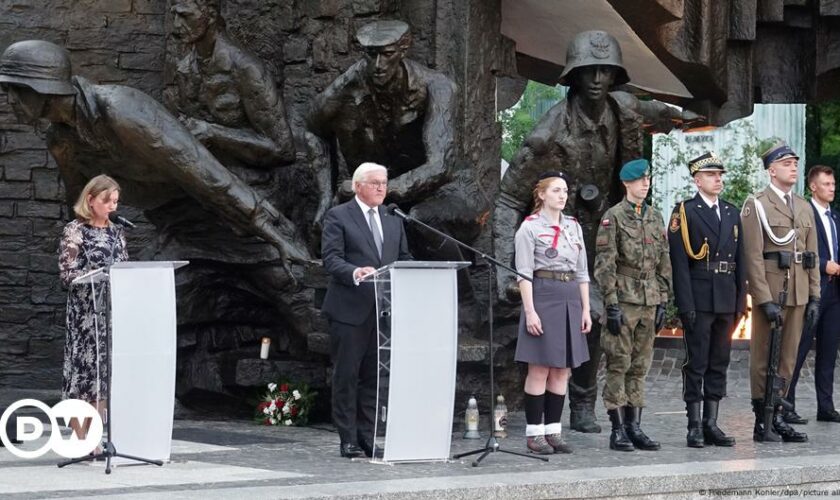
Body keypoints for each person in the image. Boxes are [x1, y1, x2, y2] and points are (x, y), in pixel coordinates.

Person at [492, 30, 699, 434]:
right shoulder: (547, 132)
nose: (598, 78)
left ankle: (584, 403)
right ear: (573, 76)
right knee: (575, 320)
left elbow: (657, 111)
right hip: (560, 238)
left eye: (606, 70)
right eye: (589, 70)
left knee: (600, 320)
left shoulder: (623, 108)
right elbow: (507, 201)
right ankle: (555, 410)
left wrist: (692, 115)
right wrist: (506, 269)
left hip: (608, 233)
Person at [0, 39, 308, 266]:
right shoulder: (61, 140)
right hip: (178, 219)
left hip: (232, 201)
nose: (9, 99)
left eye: (16, 90)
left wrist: (276, 233)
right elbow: (80, 202)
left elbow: (206, 173)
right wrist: (81, 255)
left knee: (285, 278)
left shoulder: (119, 109)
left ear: (42, 87)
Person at [320, 162, 412, 459]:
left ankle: (367, 436)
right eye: (374, 183)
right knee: (347, 375)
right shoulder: (338, 216)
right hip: (349, 310)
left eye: (384, 182)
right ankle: (347, 438)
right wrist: (355, 272)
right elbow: (331, 259)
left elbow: (403, 258)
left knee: (373, 378)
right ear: (357, 186)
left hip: (383, 311)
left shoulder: (393, 218)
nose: (381, 188)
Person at [741, 141, 819, 443]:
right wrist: (763, 298)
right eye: (787, 163)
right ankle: (763, 419)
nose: (793, 167)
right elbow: (752, 257)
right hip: (773, 292)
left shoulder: (802, 206)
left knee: (786, 358)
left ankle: (779, 414)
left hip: (799, 291)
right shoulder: (757, 204)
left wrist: (815, 296)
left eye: (795, 163)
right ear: (771, 170)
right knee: (763, 356)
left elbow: (811, 255)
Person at [667, 152, 745, 448]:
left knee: (719, 361)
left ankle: (712, 422)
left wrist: (740, 301)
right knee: (696, 362)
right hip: (699, 297)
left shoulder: (731, 212)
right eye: (712, 175)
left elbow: (741, 259)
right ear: (697, 180)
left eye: (720, 175)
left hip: (726, 295)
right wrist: (685, 305)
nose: (718, 179)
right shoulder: (684, 212)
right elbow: (680, 264)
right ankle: (694, 424)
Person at [594, 158, 671, 452]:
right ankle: (617, 429)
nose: (645, 183)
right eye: (640, 180)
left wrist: (663, 299)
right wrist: (610, 303)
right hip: (624, 300)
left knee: (640, 366)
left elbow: (664, 260)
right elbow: (605, 264)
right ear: (627, 183)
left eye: (647, 179)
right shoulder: (612, 217)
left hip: (649, 299)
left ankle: (635, 426)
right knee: (619, 363)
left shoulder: (654, 216)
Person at [514, 171, 592, 455]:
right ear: (542, 194)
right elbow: (523, 274)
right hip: (543, 295)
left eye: (565, 191)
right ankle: (534, 433)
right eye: (557, 190)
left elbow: (582, 272)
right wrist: (530, 311)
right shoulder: (530, 228)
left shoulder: (573, 226)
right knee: (540, 367)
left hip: (570, 295)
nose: (562, 195)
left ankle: (553, 431)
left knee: (562, 368)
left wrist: (585, 309)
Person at [57, 174, 128, 445]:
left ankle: (95, 440)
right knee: (83, 376)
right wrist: (97, 273)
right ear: (90, 199)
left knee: (104, 377)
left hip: (109, 314)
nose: (112, 206)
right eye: (106, 200)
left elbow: (123, 267)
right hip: (85, 314)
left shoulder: (116, 232)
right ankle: (82, 438)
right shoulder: (75, 230)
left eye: (115, 201)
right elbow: (67, 273)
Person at [785, 165, 840, 424]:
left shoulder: (836, 217)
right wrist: (822, 265)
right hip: (810, 292)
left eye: (833, 184)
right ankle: (787, 404)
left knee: (828, 352)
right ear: (813, 187)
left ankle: (825, 406)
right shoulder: (802, 214)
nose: (832, 188)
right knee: (798, 349)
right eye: (826, 184)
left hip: (834, 293)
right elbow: (797, 251)